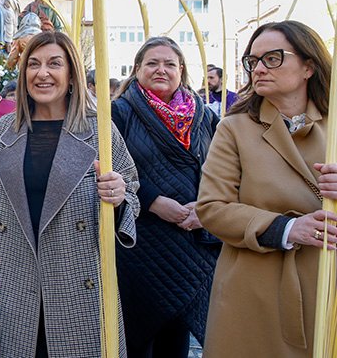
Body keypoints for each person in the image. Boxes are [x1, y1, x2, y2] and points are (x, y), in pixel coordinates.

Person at [0, 31, 139, 357]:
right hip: (12, 288)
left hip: (78, 286)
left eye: (55, 64)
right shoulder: (2, 133)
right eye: (33, 64)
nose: (42, 73)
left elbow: (131, 190)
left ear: (71, 75)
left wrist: (119, 195)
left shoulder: (100, 130)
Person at [196, 21, 336, 357]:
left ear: (308, 66)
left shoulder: (335, 126)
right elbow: (212, 207)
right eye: (252, 60)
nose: (258, 68)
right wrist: (287, 228)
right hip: (256, 289)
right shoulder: (234, 128)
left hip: (327, 285)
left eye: (272, 58)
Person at [111, 36, 220, 358]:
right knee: (136, 337)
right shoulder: (118, 113)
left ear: (181, 70)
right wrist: (154, 201)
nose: (161, 69)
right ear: (138, 69)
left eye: (169, 63)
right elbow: (105, 167)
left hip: (192, 239)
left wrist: (208, 207)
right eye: (153, 63)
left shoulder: (203, 116)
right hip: (139, 242)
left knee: (177, 340)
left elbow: (222, 168)